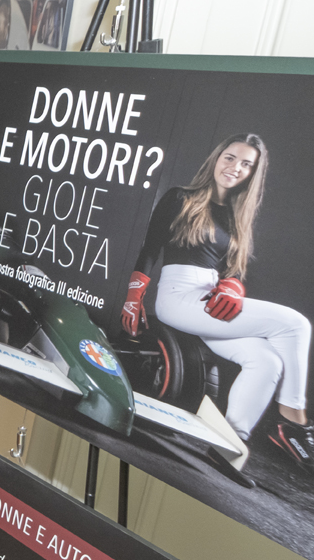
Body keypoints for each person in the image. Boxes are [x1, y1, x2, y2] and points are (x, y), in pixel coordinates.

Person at [121, 134, 313, 466]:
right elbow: (150, 248)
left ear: (253, 174)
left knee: (268, 361)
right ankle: (293, 420)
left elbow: (234, 272)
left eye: (246, 164)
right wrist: (134, 294)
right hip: (179, 297)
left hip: (210, 302)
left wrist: (233, 287)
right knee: (295, 325)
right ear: (216, 158)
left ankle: (228, 443)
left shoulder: (236, 217)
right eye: (229, 157)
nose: (235, 167)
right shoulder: (180, 197)